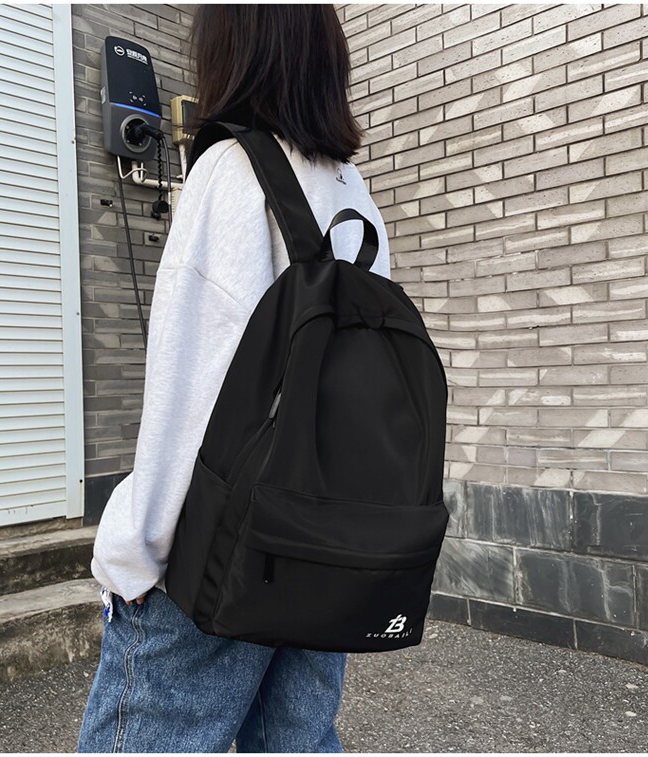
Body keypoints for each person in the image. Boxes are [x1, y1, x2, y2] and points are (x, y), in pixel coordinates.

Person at [77, 5, 391, 753]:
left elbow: (193, 392)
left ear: (235, 49)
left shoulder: (231, 172)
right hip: (325, 543)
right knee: (297, 742)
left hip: (220, 551)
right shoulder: (354, 193)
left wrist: (135, 554)